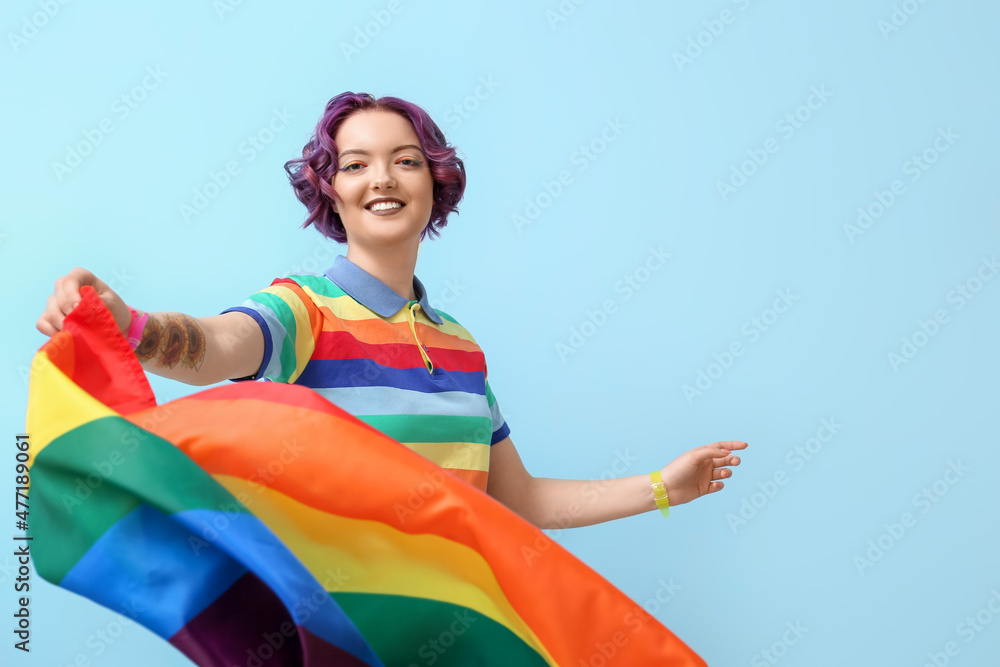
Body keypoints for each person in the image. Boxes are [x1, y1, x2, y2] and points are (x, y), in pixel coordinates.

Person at [36, 91, 747, 529]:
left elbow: (520, 501)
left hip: (457, 632)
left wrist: (662, 486)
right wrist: (126, 322)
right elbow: (218, 346)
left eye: (406, 160)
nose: (383, 176)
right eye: (355, 163)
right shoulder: (303, 311)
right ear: (330, 192)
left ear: (436, 183)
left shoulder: (462, 349)